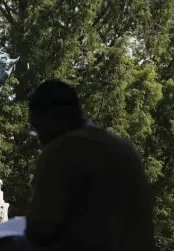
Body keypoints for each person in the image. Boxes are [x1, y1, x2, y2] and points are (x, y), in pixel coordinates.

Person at [25, 79, 156, 251]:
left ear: (50, 117)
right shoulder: (124, 148)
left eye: (37, 129)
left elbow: (41, 229)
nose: (40, 139)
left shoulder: (61, 151)